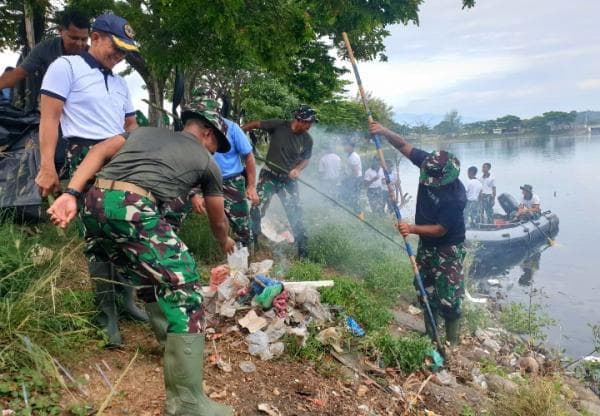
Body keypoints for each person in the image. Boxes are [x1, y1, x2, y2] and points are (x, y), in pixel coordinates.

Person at [46, 98, 235, 416]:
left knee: (147, 270)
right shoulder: (207, 162)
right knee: (184, 285)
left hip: (95, 199)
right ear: (205, 131)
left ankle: (167, 338)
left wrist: (71, 193)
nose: (217, 150)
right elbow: (218, 220)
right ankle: (188, 403)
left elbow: (99, 152)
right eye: (217, 141)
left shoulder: (143, 132)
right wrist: (226, 240)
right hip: (133, 205)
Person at [36, 13, 141, 346]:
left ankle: (126, 301)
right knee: (98, 237)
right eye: (116, 47)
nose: (120, 56)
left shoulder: (120, 82)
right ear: (95, 37)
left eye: (126, 51)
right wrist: (47, 167)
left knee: (125, 230)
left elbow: (130, 127)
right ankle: (106, 314)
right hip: (83, 156)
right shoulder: (66, 67)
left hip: (120, 159)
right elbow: (49, 119)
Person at [369, 122, 466, 346]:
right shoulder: (430, 163)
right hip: (427, 245)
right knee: (424, 288)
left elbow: (441, 229)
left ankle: (452, 343)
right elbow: (402, 144)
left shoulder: (455, 198)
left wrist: (411, 228)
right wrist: (382, 131)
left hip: (447, 248)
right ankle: (431, 335)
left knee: (449, 299)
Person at [242, 105, 316, 258]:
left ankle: (303, 253)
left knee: (295, 212)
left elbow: (306, 159)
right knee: (256, 207)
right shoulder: (279, 125)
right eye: (308, 122)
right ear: (299, 119)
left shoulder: (307, 140)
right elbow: (255, 124)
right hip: (269, 176)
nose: (310, 126)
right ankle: (252, 244)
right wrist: (239, 132)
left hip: (288, 181)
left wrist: (298, 170)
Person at [195, 112, 258, 247]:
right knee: (173, 213)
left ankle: (246, 259)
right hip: (203, 179)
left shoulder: (232, 128)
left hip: (231, 181)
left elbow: (249, 156)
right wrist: (193, 193)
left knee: (243, 226)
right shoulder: (193, 129)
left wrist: (251, 186)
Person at [0, 7, 90, 96]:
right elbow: (18, 74)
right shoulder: (45, 48)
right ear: (60, 31)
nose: (79, 43)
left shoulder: (93, 55)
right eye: (74, 38)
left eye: (84, 39)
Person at [341, 140, 363, 215]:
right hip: (353, 179)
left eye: (345, 145)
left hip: (355, 180)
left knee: (354, 198)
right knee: (349, 197)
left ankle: (360, 215)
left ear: (350, 147)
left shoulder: (353, 156)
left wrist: (346, 179)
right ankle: (354, 214)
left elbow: (355, 172)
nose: (344, 147)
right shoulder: (350, 155)